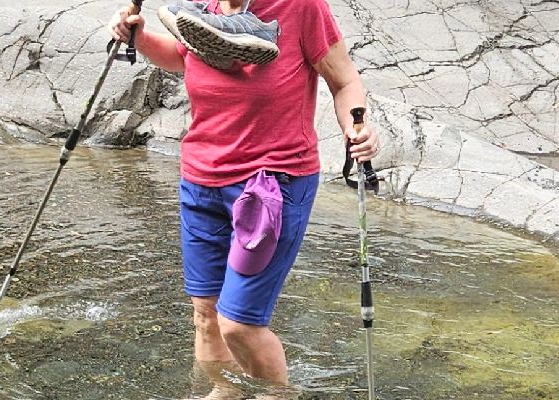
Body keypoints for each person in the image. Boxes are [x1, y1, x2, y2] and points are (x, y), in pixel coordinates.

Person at [110, 0, 378, 398]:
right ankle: (226, 392)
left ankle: (277, 395)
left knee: (239, 323)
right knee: (205, 317)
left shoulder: (301, 7)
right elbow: (184, 57)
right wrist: (140, 37)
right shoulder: (204, 7)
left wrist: (356, 126)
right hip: (201, 178)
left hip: (272, 184)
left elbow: (344, 80)